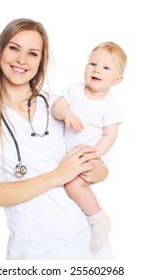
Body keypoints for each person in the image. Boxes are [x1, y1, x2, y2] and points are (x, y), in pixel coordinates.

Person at [0, 18, 113, 260]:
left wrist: (96, 170)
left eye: (32, 53)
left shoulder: (59, 105)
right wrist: (57, 176)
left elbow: (100, 168)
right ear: (0, 50)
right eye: (14, 48)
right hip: (32, 252)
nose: (22, 60)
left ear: (41, 61)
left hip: (88, 248)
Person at [52, 41, 127, 251]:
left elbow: (110, 135)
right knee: (65, 181)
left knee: (73, 185)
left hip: (93, 155)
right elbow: (57, 107)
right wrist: (66, 113)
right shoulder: (75, 90)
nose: (96, 70)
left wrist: (94, 154)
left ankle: (98, 219)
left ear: (117, 80)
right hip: (70, 154)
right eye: (92, 63)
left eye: (106, 67)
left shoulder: (109, 104)